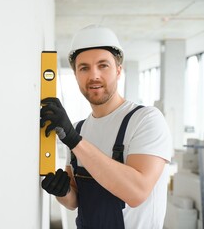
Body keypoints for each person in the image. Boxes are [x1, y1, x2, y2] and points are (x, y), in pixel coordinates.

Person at [40, 25, 172, 229]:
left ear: (119, 71)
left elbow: (136, 192)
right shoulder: (79, 128)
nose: (94, 76)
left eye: (103, 65)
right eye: (84, 68)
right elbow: (74, 201)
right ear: (75, 75)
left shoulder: (146, 120)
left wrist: (74, 141)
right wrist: (62, 192)